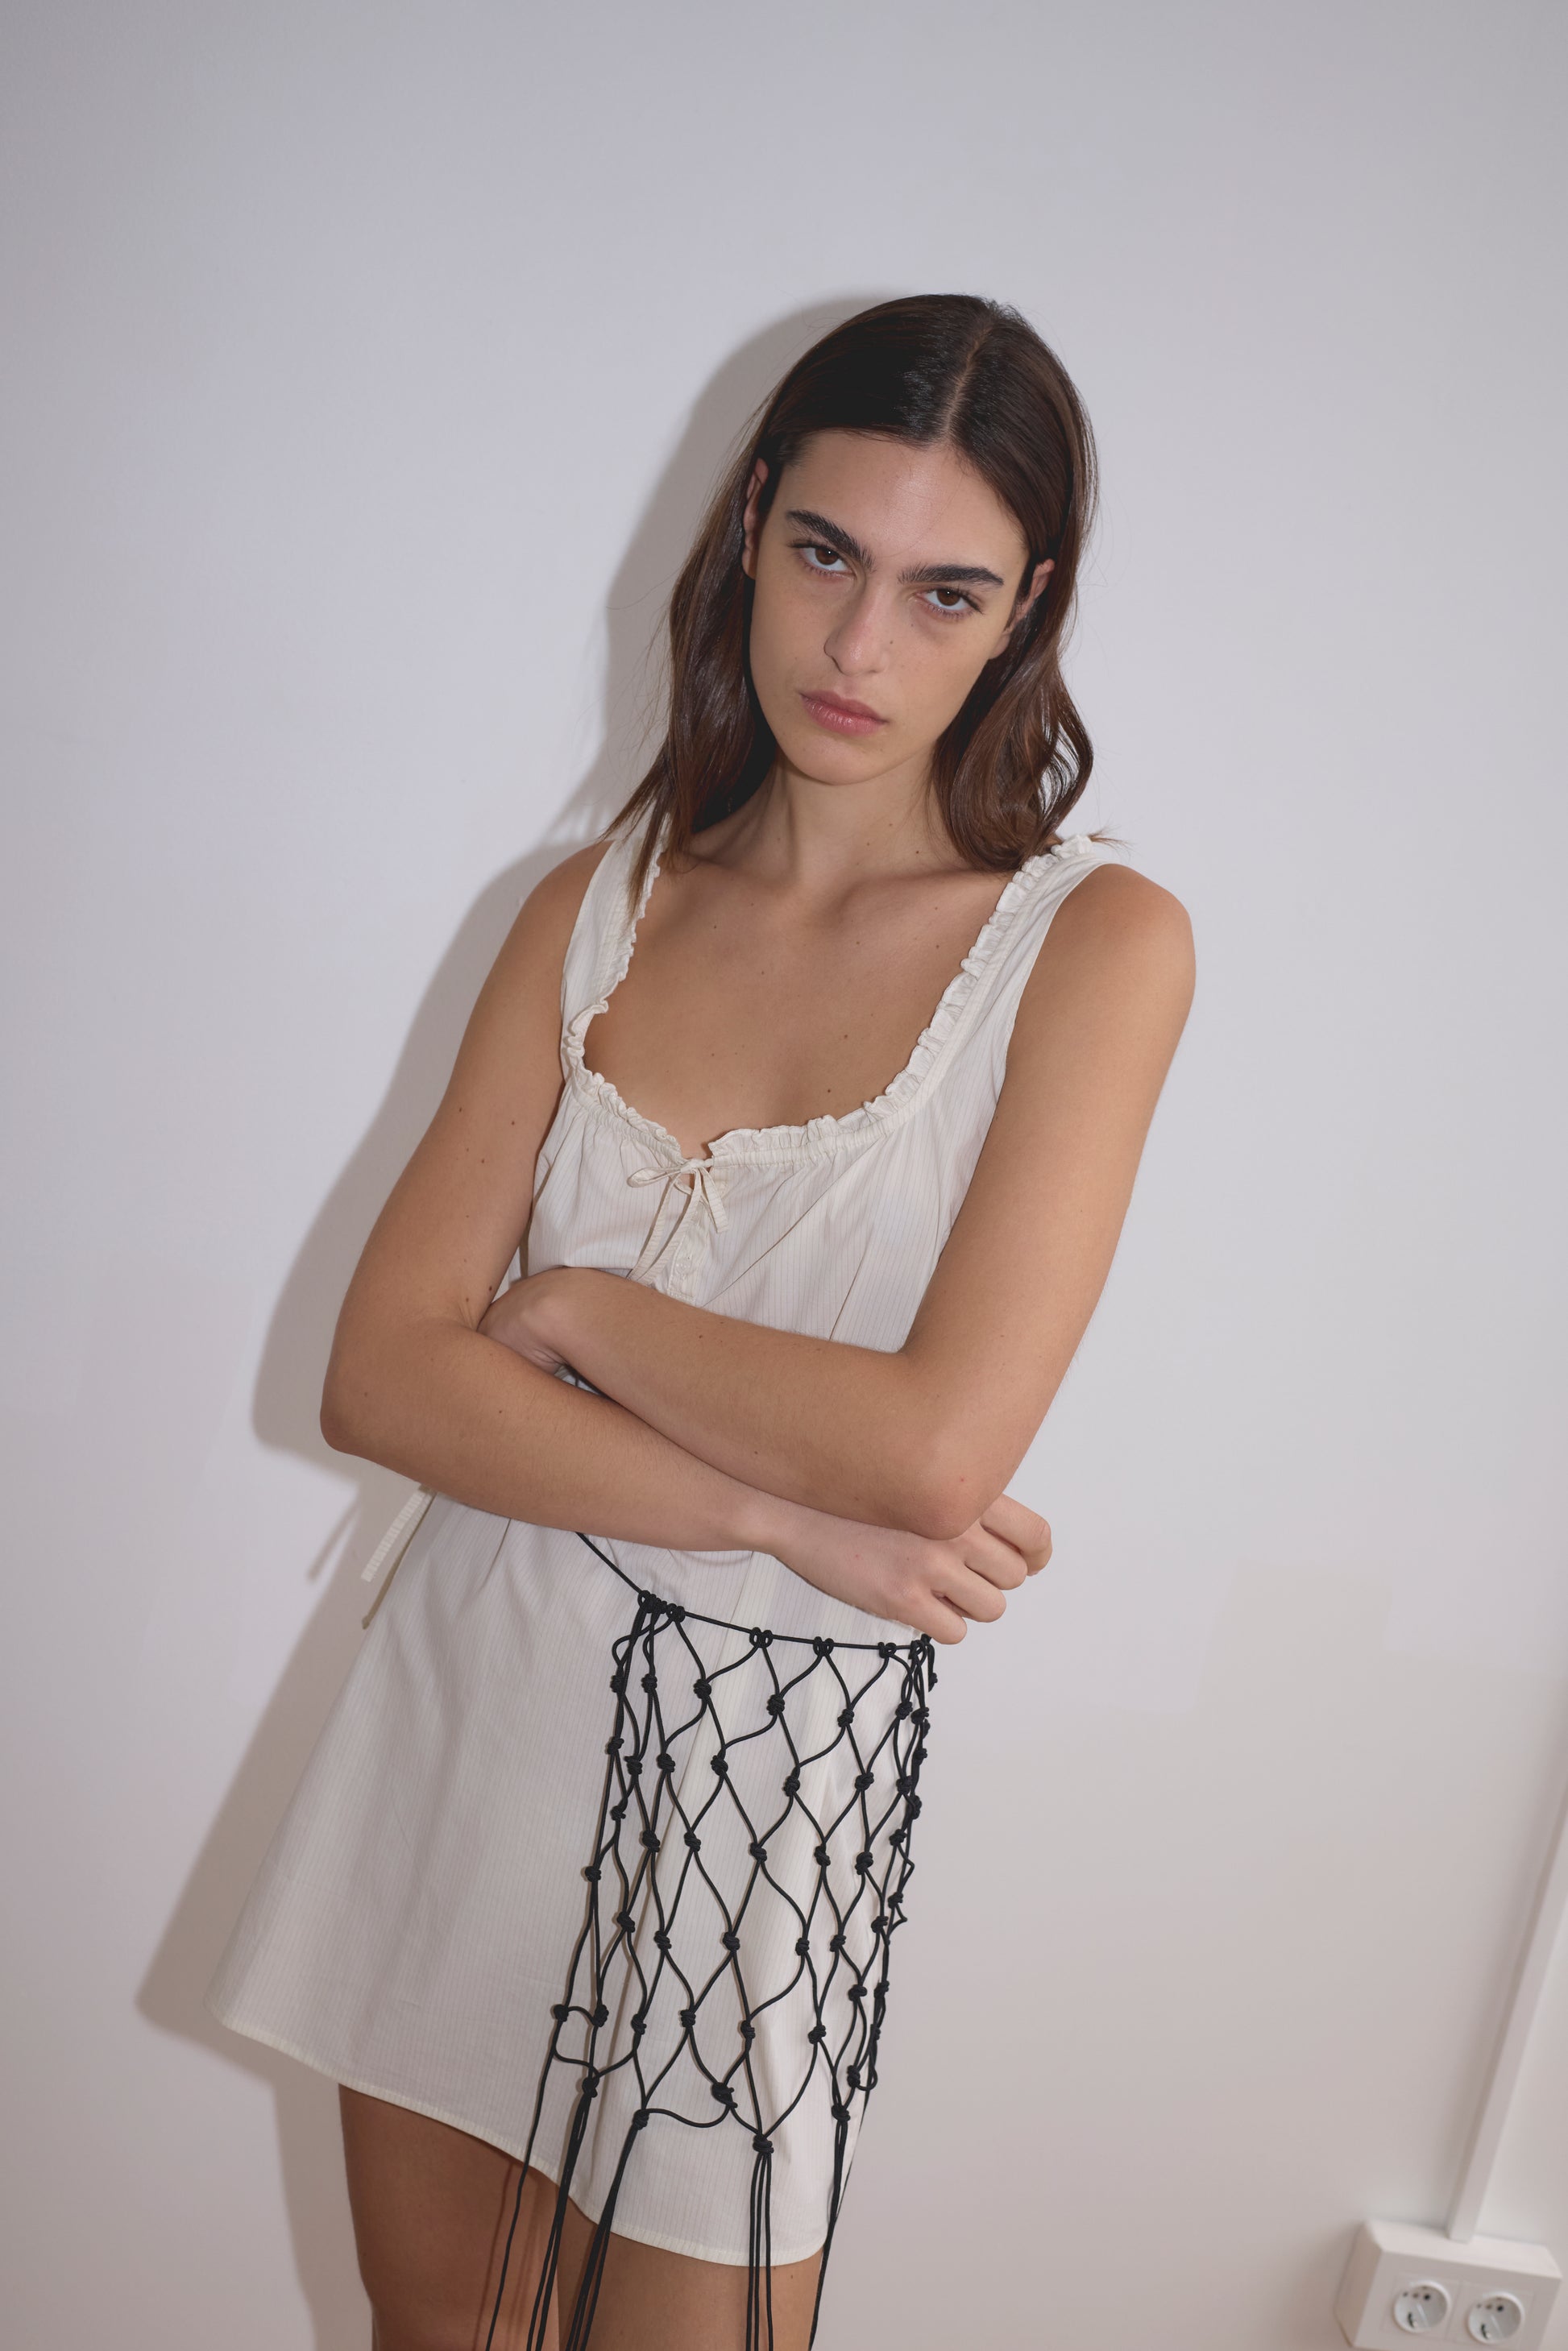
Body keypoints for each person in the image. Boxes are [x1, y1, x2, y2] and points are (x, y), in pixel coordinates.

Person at [205, 292, 1195, 2351]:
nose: (858, 649)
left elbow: (935, 1449)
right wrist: (776, 1515)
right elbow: (383, 1372)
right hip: (463, 1723)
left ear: (1025, 615)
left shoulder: (1092, 945)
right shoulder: (588, 903)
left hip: (757, 1780)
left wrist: (567, 1307)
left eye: (944, 592)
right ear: (750, 523)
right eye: (828, 552)